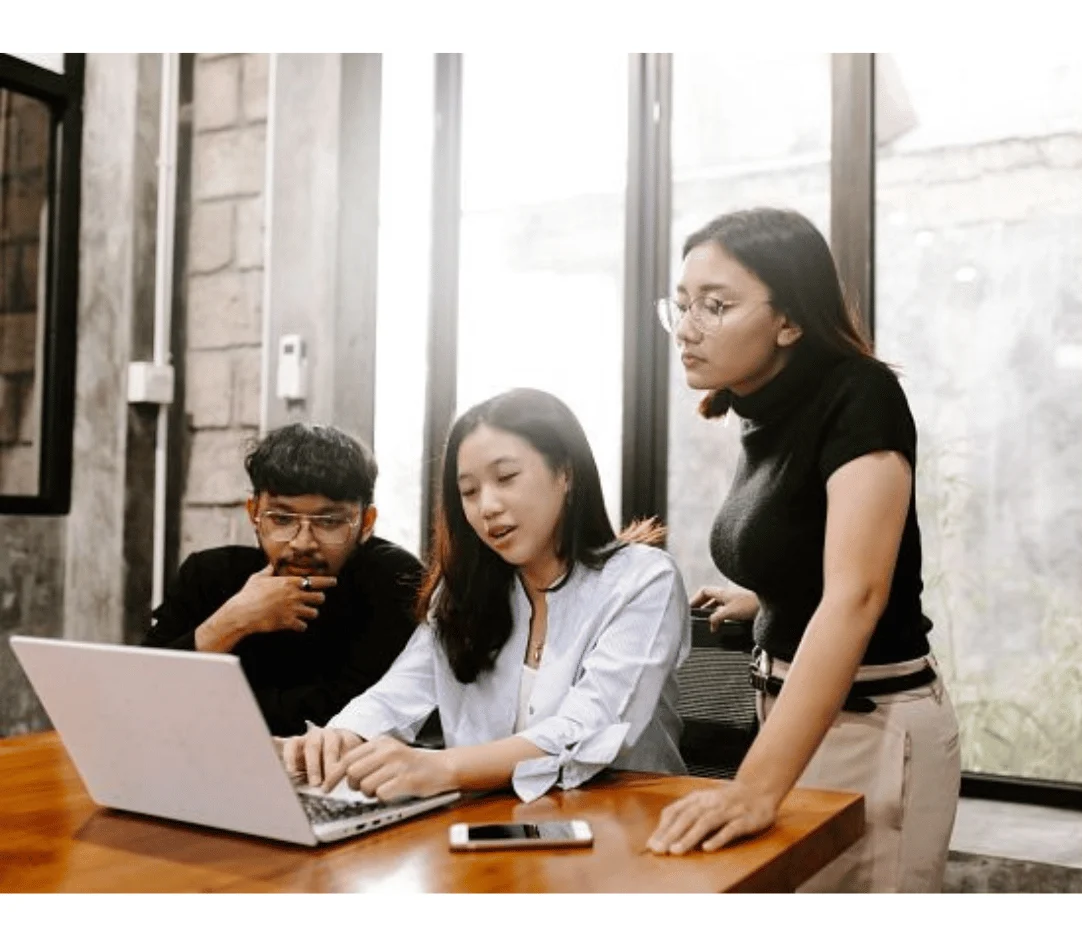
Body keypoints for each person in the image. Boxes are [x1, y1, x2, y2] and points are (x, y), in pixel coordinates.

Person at [645, 208, 960, 893]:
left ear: (789, 320)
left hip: (869, 730)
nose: (689, 327)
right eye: (683, 304)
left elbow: (860, 593)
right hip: (793, 719)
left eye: (716, 305)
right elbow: (820, 548)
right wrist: (770, 595)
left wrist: (754, 790)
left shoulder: (861, 395)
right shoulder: (763, 406)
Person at [281, 388, 689, 803]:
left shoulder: (642, 579)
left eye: (506, 478)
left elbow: (588, 729)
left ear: (565, 472)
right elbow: (398, 692)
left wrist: (441, 767)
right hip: (494, 829)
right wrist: (339, 736)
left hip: (631, 828)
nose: (486, 506)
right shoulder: (463, 592)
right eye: (469, 491)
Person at [144, 423, 423, 737]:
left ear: (366, 522)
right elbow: (140, 694)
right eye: (282, 518)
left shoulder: (394, 578)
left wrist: (200, 706)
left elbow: (348, 713)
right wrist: (233, 621)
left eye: (329, 521)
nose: (303, 543)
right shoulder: (208, 574)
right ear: (254, 513)